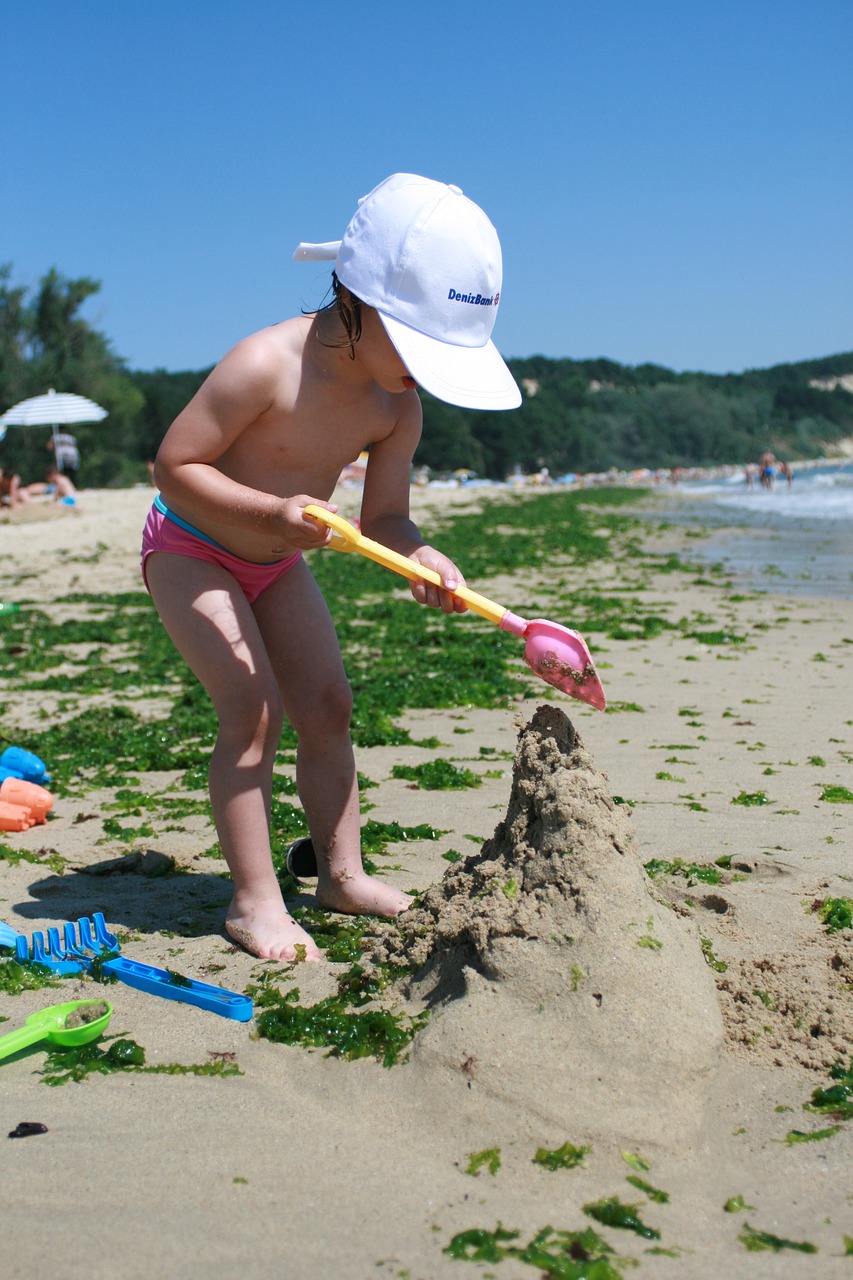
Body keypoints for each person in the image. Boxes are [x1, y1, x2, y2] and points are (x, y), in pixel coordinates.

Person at [142, 174, 521, 962]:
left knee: (328, 707)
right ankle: (253, 900)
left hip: (276, 564)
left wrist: (418, 554)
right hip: (189, 548)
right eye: (421, 347)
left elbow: (385, 517)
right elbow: (174, 465)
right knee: (251, 714)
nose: (423, 371)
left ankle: (339, 875)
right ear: (358, 301)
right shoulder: (263, 364)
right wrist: (268, 514)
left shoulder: (396, 402)